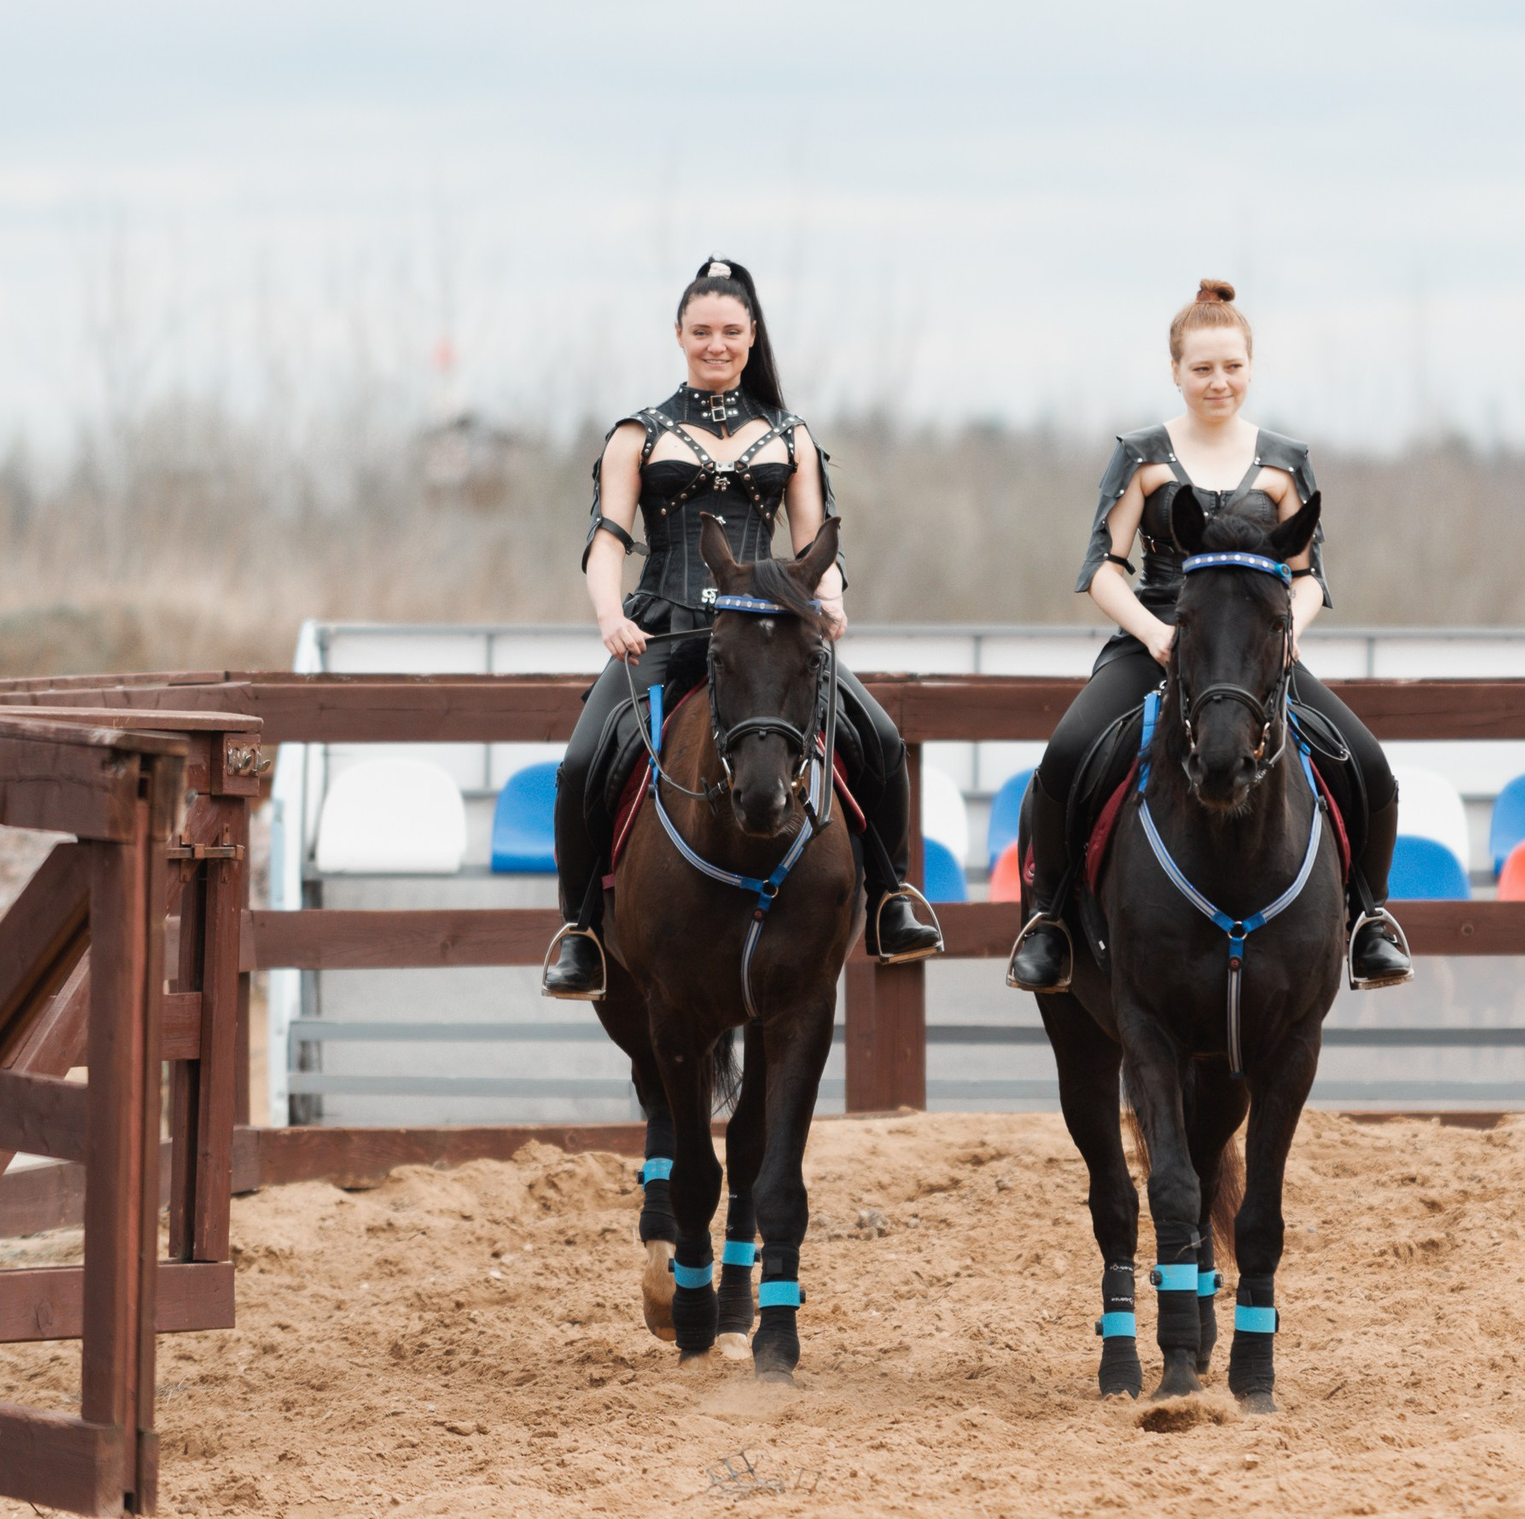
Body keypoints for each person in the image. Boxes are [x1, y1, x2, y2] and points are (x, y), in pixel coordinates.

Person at [542, 258, 943, 997]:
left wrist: (831, 601)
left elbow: (817, 538)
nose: (716, 344)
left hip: (771, 634)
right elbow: (607, 541)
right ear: (679, 335)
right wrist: (608, 615)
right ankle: (580, 931)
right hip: (663, 628)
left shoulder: (791, 435)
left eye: (731, 330)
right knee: (581, 763)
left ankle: (891, 898)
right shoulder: (637, 434)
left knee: (880, 739)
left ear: (752, 334)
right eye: (702, 331)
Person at [1005, 280, 1414, 993]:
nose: (1217, 381)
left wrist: (1290, 638)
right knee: (1067, 753)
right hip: (1159, 637)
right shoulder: (1141, 454)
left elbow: (1310, 576)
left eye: (1231, 366)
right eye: (1201, 367)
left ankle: (1368, 918)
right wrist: (1156, 632)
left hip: (1258, 653)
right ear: (1176, 371)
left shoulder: (1287, 460)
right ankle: (1048, 923)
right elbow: (1101, 568)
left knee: (1370, 765)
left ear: (1250, 367)